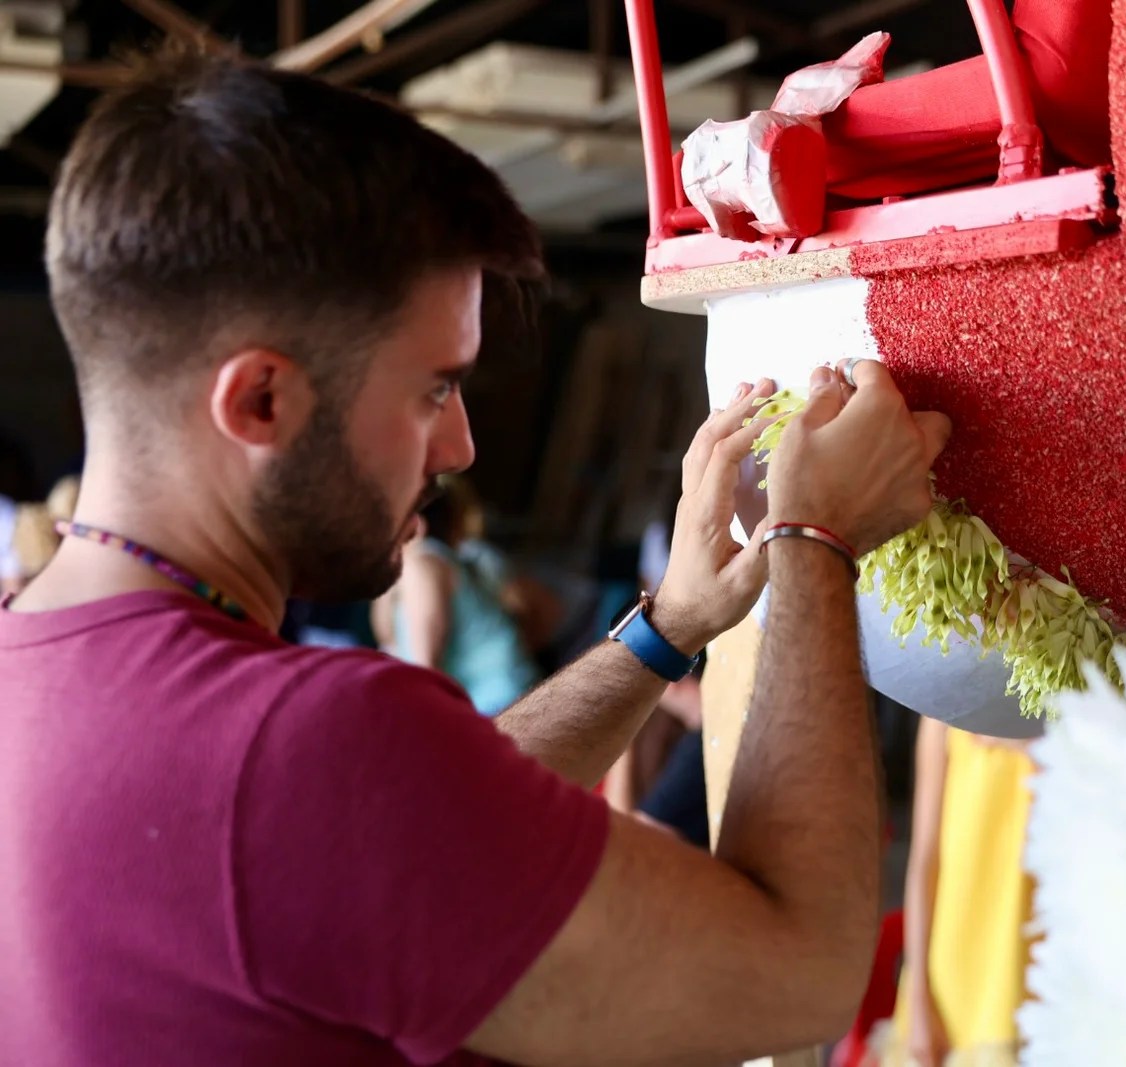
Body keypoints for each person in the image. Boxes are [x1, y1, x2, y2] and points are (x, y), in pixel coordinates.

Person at [0, 43, 950, 1067]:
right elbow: (795, 973)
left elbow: (434, 827)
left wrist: (668, 627)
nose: (459, 449)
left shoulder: (37, 667)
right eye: (433, 388)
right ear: (261, 400)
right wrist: (815, 539)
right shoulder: (295, 748)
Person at [877, 721, 1038, 1067]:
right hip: (952, 984)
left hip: (1035, 975)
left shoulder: (1075, 709)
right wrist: (919, 993)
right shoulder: (944, 714)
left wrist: (1033, 747)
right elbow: (924, 860)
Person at [373, 475, 540, 715]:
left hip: (501, 705)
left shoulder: (423, 564)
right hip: (500, 699)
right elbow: (389, 639)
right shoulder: (415, 567)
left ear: (416, 526)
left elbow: (425, 669)